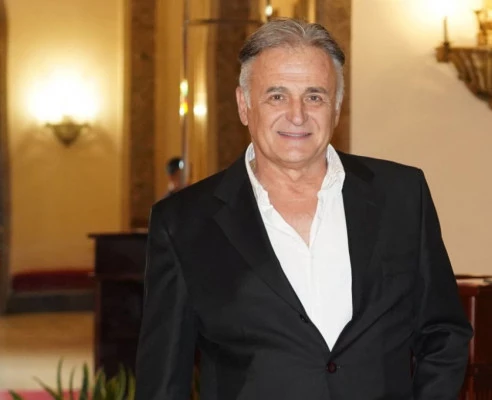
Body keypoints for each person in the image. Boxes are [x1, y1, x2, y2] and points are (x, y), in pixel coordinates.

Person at [135, 18, 472, 400]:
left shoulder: (402, 195)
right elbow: (163, 380)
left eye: (314, 96)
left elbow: (444, 333)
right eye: (277, 96)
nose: (297, 115)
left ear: (337, 106)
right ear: (244, 105)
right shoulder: (183, 223)